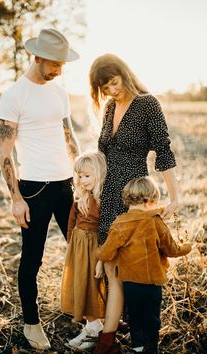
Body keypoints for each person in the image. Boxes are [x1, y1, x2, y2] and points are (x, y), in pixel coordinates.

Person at [89, 54, 179, 353]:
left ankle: (139, 339)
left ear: (124, 74)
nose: (111, 91)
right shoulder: (111, 107)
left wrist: (174, 196)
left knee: (135, 272)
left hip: (133, 198)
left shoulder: (147, 104)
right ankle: (109, 338)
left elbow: (163, 151)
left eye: (113, 82)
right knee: (112, 269)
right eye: (104, 88)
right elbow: (102, 154)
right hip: (108, 192)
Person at [0, 28, 80, 350]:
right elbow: (4, 153)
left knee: (82, 248)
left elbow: (69, 136)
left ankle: (90, 314)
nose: (59, 69)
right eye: (55, 63)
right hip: (34, 189)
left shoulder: (59, 91)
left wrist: (84, 180)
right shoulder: (14, 94)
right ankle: (32, 323)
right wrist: (16, 198)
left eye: (62, 63)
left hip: (67, 185)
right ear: (37, 57)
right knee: (33, 259)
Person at [96, 176, 192, 354]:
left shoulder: (119, 223)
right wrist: (187, 246)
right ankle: (151, 348)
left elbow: (106, 252)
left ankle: (138, 346)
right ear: (151, 200)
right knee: (152, 318)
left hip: (131, 283)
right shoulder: (155, 221)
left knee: (135, 317)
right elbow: (172, 249)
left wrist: (99, 257)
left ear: (127, 200)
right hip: (153, 284)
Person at [61, 151, 107, 350]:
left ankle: (95, 327)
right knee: (79, 283)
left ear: (98, 174)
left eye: (87, 176)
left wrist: (102, 257)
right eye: (80, 176)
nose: (82, 180)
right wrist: (71, 243)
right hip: (78, 247)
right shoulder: (80, 196)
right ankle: (91, 326)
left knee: (91, 285)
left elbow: (106, 229)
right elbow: (71, 221)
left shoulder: (103, 199)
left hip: (94, 248)